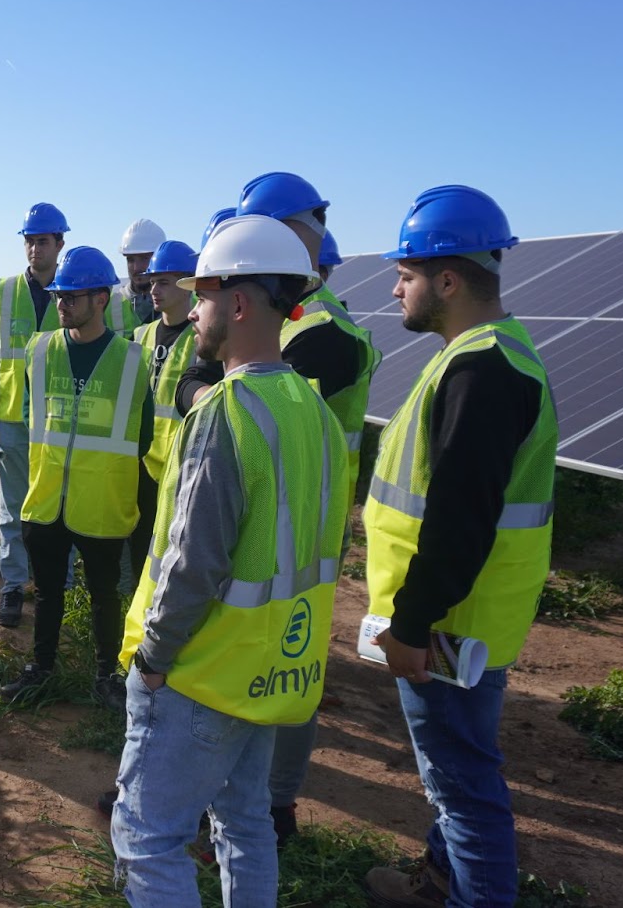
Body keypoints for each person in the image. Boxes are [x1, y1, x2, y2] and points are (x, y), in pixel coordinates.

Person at [111, 214, 348, 907]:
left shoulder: (227, 412)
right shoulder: (315, 412)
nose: (197, 311)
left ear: (238, 303)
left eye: (205, 295)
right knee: (245, 823)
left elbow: (193, 564)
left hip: (200, 674)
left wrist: (153, 658)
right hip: (270, 674)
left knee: (149, 838)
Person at [362, 186, 557, 908]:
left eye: (406, 274)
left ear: (448, 280)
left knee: (464, 789)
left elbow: (459, 519)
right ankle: (439, 881)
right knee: (454, 780)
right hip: (459, 618)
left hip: (449, 627)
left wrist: (412, 625)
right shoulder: (483, 358)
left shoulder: (482, 372)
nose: (395, 287)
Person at [234, 172, 383, 842]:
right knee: (259, 654)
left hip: (300, 524)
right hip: (274, 513)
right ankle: (249, 798)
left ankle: (275, 807)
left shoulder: (323, 333)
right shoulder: (296, 319)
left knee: (290, 661)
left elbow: (268, 414)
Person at [0, 246, 152, 709]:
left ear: (101, 299)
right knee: (46, 594)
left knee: (105, 595)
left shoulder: (131, 360)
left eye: (72, 297)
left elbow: (141, 436)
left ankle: (107, 675)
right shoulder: (39, 350)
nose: (61, 304)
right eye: (59, 296)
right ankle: (41, 669)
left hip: (101, 501)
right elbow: (31, 415)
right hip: (46, 499)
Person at [0, 201, 69, 628]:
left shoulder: (75, 289)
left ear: (60, 244)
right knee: (13, 509)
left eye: (43, 241)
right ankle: (13, 587)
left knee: (57, 507)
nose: (35, 249)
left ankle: (59, 586)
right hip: (13, 418)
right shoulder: (6, 290)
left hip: (59, 422)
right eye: (30, 242)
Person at [126, 239, 200, 590]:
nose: (153, 289)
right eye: (152, 281)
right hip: (140, 462)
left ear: (188, 284)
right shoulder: (141, 334)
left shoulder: (202, 338)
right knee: (140, 546)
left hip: (181, 467)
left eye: (164, 282)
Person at [111, 218, 167, 330]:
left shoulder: (185, 302)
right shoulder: (110, 305)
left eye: (144, 258)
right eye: (130, 260)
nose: (136, 267)